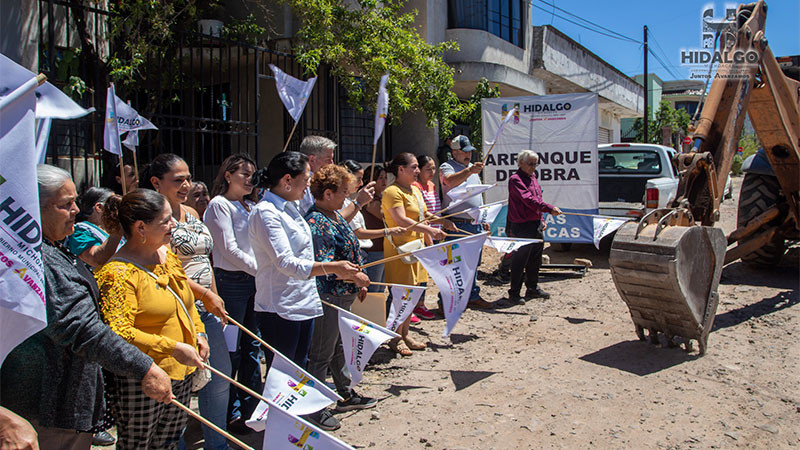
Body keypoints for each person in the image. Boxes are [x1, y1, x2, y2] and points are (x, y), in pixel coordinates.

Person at [1, 165, 173, 450]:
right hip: (47, 411)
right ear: (33, 207)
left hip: (66, 406)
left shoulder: (54, 248)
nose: (75, 211)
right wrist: (144, 367)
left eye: (75, 202)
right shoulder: (35, 261)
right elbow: (82, 328)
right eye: (64, 204)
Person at [95, 189, 208, 449]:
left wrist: (199, 333)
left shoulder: (166, 256)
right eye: (165, 221)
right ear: (140, 228)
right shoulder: (118, 273)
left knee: (168, 442)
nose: (174, 225)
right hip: (143, 377)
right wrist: (173, 347)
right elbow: (118, 331)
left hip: (182, 371)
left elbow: (186, 300)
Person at [248, 152, 362, 401]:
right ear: (288, 180)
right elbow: (286, 263)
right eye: (306, 178)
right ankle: (284, 425)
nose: (309, 185)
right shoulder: (266, 213)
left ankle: (302, 418)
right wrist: (334, 268)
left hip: (302, 301)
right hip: (280, 306)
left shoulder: (291, 208)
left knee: (299, 369)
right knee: (283, 372)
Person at [140, 154, 231, 448]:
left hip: (205, 309)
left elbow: (205, 260)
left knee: (218, 377)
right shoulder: (153, 220)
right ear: (156, 183)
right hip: (172, 311)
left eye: (188, 178)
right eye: (178, 180)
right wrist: (204, 293)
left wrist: (213, 295)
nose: (186, 185)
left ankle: (217, 443)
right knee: (178, 384)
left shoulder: (192, 212)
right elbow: (163, 267)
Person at [304, 164, 375, 431]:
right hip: (328, 296)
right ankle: (315, 407)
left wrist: (358, 281)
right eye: (343, 192)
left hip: (343, 294)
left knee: (337, 348)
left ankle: (344, 394)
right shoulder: (317, 222)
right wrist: (353, 278)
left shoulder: (332, 215)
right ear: (329, 193)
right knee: (321, 353)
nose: (347, 197)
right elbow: (325, 267)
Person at [204, 153, 263, 432]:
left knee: (252, 345)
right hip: (231, 282)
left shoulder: (249, 206)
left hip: (253, 281)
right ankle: (230, 412)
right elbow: (227, 249)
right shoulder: (219, 205)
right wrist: (259, 269)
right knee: (232, 350)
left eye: (252, 175)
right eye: (244, 174)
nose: (250, 180)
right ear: (228, 175)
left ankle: (252, 407)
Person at [382, 153, 447, 355]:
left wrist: (444, 221)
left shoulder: (414, 191)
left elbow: (423, 214)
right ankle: (393, 337)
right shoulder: (392, 192)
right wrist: (429, 231)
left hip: (417, 249)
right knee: (400, 295)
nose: (418, 171)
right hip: (399, 250)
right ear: (400, 169)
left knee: (413, 293)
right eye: (414, 167)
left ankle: (405, 334)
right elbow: (401, 220)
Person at [439, 135, 493, 309]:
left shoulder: (471, 168)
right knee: (454, 264)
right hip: (457, 223)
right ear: (454, 152)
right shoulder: (447, 166)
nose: (468, 156)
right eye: (464, 152)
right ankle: (446, 301)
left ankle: (471, 295)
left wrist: (484, 217)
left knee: (472, 263)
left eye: (469, 152)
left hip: (475, 222)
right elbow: (449, 181)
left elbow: (478, 194)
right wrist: (469, 171)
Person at [507, 150, 562, 304]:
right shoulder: (515, 180)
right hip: (522, 225)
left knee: (535, 258)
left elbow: (537, 198)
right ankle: (514, 293)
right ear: (521, 163)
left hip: (535, 223)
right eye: (530, 164)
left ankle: (532, 287)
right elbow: (528, 200)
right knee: (520, 259)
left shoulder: (532, 178)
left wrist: (541, 218)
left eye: (535, 164)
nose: (533, 167)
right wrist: (549, 208)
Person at [412, 155, 456, 320]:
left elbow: (434, 210)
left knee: (429, 272)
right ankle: (417, 305)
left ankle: (421, 303)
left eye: (433, 168)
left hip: (436, 233)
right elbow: (421, 215)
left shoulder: (431, 184)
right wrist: (428, 235)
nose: (431, 172)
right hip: (424, 234)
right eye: (427, 169)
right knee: (421, 273)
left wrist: (443, 222)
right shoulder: (416, 187)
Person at [297, 135, 375, 221]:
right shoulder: (305, 184)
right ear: (312, 160)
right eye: (328, 159)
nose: (332, 163)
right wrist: (358, 202)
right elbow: (323, 222)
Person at [66, 187, 123, 268]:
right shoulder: (80, 231)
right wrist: (117, 231)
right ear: (99, 207)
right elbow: (97, 260)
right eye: (114, 206)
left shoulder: (109, 230)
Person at [361, 165, 389, 293]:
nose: (384, 181)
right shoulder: (369, 200)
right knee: (373, 288)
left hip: (384, 248)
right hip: (374, 249)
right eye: (380, 178)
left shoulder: (382, 197)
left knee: (381, 288)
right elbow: (385, 218)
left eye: (385, 178)